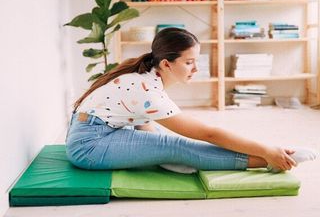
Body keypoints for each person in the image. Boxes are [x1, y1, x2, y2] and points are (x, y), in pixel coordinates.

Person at [65, 27, 317, 173]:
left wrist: (158, 148)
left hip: (96, 130)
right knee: (176, 146)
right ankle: (269, 162)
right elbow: (208, 133)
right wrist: (266, 150)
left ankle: (169, 158)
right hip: (89, 146)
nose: (196, 68)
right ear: (166, 63)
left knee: (168, 144)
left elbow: (142, 121)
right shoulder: (147, 89)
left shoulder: (147, 76)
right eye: (189, 62)